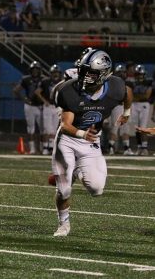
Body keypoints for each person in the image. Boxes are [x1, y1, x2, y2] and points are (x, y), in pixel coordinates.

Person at [51, 48, 132, 237]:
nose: (85, 77)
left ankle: (77, 169)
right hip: (68, 141)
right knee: (64, 190)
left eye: (91, 73)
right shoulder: (70, 90)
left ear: (104, 74)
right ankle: (64, 224)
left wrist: (126, 113)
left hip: (90, 142)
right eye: (84, 71)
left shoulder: (116, 87)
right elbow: (65, 126)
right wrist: (81, 133)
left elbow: (127, 93)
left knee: (97, 189)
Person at [13, 61, 44, 154]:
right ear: (30, 70)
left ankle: (43, 148)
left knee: (43, 129)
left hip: (41, 106)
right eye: (33, 69)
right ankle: (33, 149)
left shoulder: (44, 79)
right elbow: (16, 90)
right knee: (31, 128)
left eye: (36, 69)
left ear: (39, 70)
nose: (35, 71)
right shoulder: (26, 79)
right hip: (30, 106)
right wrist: (24, 99)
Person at [35, 64, 62, 155]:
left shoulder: (62, 82)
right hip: (48, 106)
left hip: (57, 107)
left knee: (54, 129)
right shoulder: (45, 81)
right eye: (54, 72)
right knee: (47, 129)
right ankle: (45, 147)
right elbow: (37, 92)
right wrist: (44, 101)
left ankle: (51, 147)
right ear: (51, 73)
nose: (55, 74)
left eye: (57, 72)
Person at [108, 64, 134, 155]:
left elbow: (130, 96)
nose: (122, 74)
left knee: (125, 128)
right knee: (115, 127)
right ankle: (111, 147)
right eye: (120, 72)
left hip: (125, 106)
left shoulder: (128, 83)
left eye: (123, 72)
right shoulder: (112, 83)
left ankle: (126, 148)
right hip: (117, 106)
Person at [130, 64, 151, 155]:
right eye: (138, 74)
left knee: (143, 127)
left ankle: (145, 147)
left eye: (141, 74)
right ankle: (139, 147)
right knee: (137, 128)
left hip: (144, 105)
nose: (140, 76)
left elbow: (147, 96)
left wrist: (136, 97)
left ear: (144, 74)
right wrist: (138, 97)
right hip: (134, 105)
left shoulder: (148, 82)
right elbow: (131, 96)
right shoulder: (132, 82)